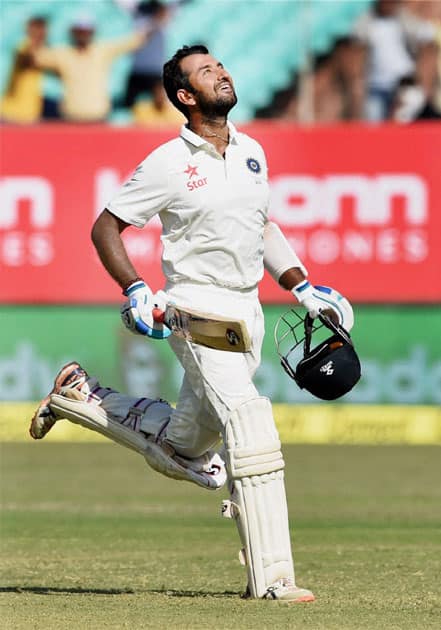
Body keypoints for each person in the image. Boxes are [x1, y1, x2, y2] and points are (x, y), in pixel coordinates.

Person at [29, 45, 351, 602]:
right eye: (207, 72)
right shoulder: (167, 162)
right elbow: (106, 227)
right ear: (185, 96)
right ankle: (273, 579)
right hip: (195, 311)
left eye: (221, 65)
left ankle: (81, 395)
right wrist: (136, 289)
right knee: (249, 420)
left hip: (247, 310)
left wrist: (300, 284)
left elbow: (261, 225)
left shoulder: (251, 151)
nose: (221, 73)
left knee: (187, 448)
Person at [31, 15, 159, 122]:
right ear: (73, 32)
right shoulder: (63, 54)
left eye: (86, 31)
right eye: (80, 31)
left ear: (92, 32)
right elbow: (37, 59)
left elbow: (136, 40)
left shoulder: (101, 51)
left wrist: (156, 20)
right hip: (71, 117)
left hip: (98, 117)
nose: (83, 35)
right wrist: (37, 36)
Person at [353, 0, 436, 121]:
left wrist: (423, 86)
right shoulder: (365, 22)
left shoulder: (406, 20)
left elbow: (426, 36)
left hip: (404, 84)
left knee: (405, 123)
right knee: (375, 126)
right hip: (377, 86)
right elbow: (356, 48)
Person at [0, 16, 58, 124]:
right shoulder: (23, 46)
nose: (42, 33)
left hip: (29, 113)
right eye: (38, 29)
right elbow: (31, 59)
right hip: (11, 112)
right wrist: (34, 38)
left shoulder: (44, 50)